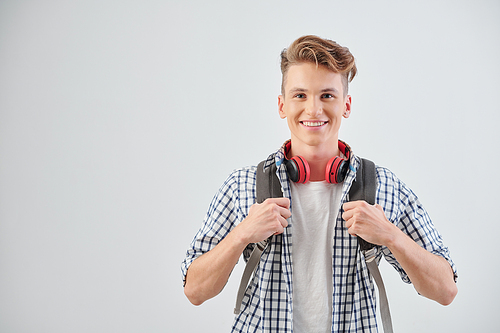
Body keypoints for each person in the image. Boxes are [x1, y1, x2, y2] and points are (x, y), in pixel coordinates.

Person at [181, 35, 458, 332]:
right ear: (282, 105)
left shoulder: (383, 186)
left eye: (327, 95)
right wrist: (241, 235)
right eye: (300, 95)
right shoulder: (242, 186)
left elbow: (445, 290)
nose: (313, 110)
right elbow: (195, 291)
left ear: (346, 105)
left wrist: (390, 235)